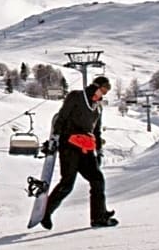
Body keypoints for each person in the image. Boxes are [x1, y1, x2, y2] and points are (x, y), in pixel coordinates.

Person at [42, 75, 118, 229]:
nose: (104, 93)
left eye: (106, 91)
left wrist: (99, 152)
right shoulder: (76, 97)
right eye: (103, 89)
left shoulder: (98, 108)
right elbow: (61, 118)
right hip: (69, 146)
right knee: (68, 183)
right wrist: (55, 138)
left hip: (86, 149)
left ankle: (99, 216)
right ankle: (45, 213)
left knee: (97, 179)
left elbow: (96, 132)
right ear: (96, 86)